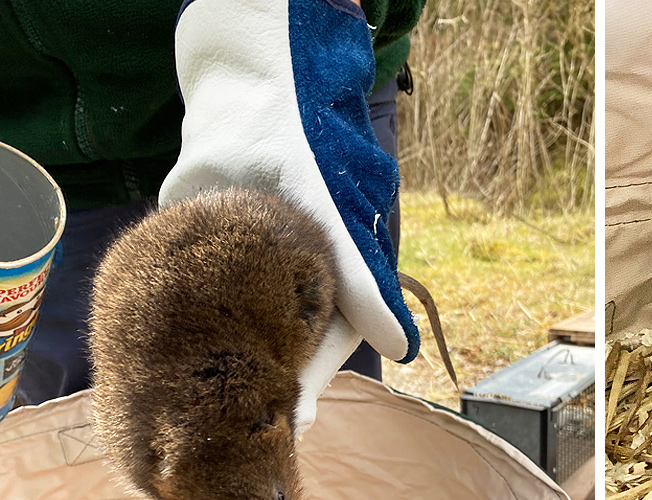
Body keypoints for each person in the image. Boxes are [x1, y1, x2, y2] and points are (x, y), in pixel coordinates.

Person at [0, 0, 424, 409]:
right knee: (67, 423)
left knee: (333, 415)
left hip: (306, 93)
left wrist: (304, 17)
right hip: (37, 159)